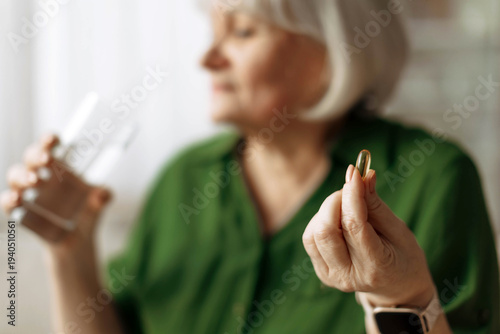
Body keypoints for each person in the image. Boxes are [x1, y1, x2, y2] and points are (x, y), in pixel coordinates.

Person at [1, 0, 499, 333]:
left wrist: (402, 299)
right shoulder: (184, 178)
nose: (207, 58)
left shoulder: (432, 177)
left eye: (241, 31)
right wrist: (69, 247)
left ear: (330, 51)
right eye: (212, 31)